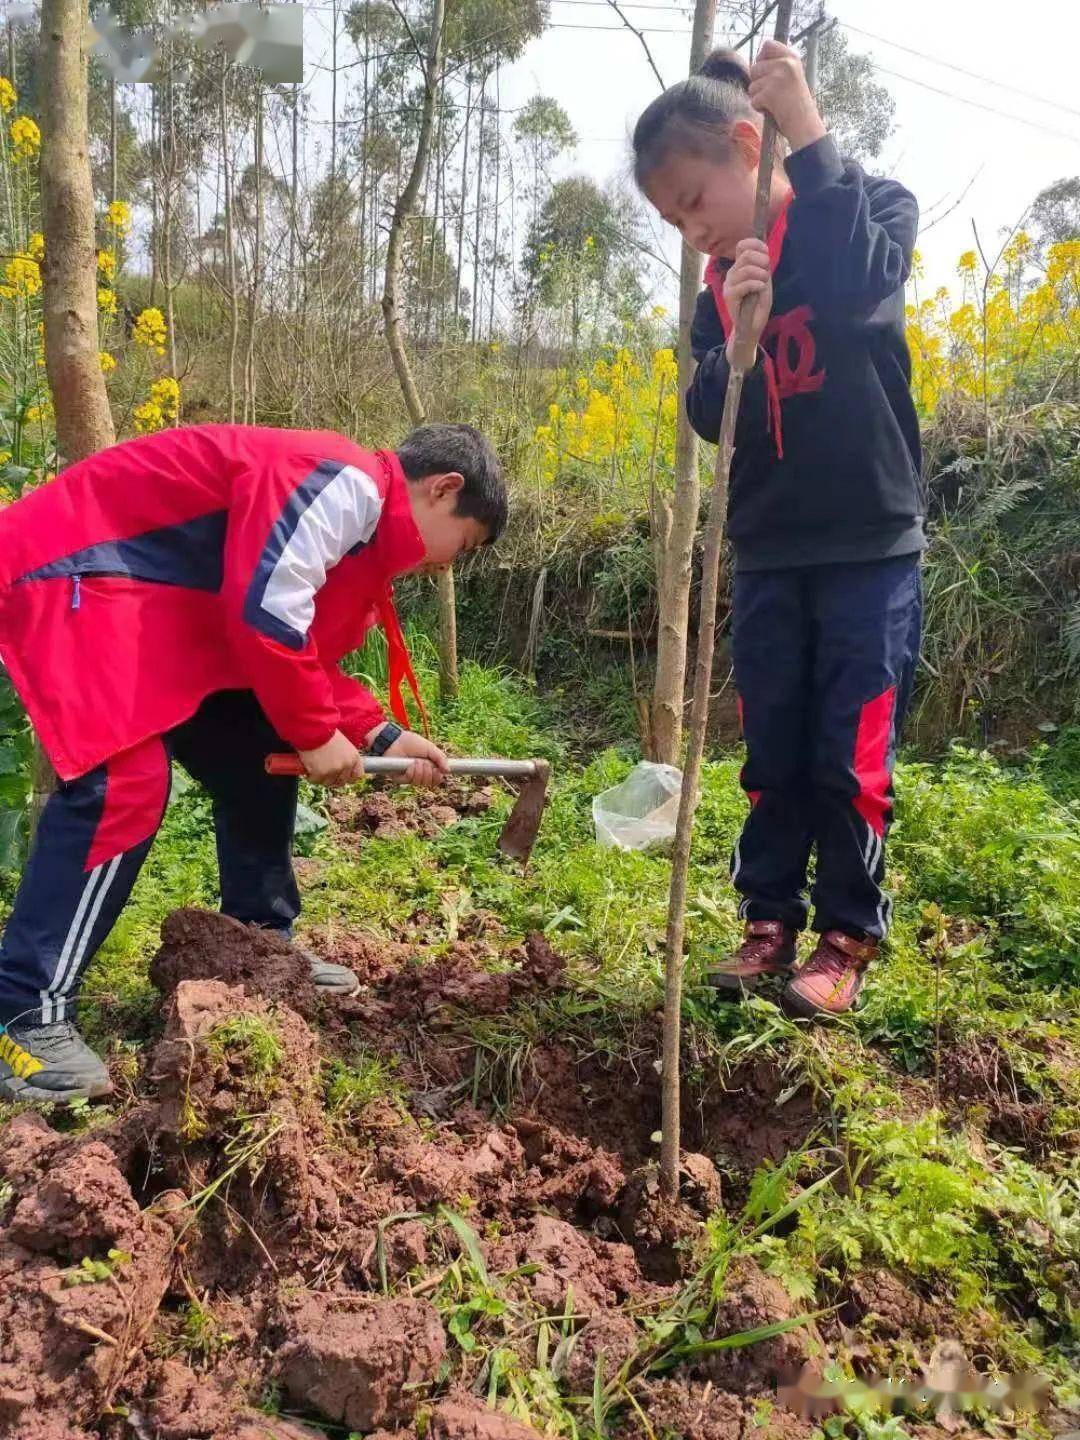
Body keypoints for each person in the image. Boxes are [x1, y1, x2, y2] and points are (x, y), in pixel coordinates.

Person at [0, 421, 508, 1102]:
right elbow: (265, 616)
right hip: (82, 574)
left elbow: (301, 654)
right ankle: (22, 1011)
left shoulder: (357, 534)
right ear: (444, 490)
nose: (447, 565)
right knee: (124, 783)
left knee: (261, 751)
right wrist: (313, 731)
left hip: (160, 615)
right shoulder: (343, 482)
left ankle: (257, 946)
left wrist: (380, 736)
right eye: (463, 544)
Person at [632, 42, 923, 1018]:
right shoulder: (717, 291)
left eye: (693, 200)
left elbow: (862, 287)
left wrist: (812, 131)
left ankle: (847, 933)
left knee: (851, 749)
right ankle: (769, 919)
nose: (689, 228)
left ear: (748, 147)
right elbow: (710, 410)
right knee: (776, 746)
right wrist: (740, 337)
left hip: (867, 548)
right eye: (671, 219)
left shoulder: (871, 205)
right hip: (767, 551)